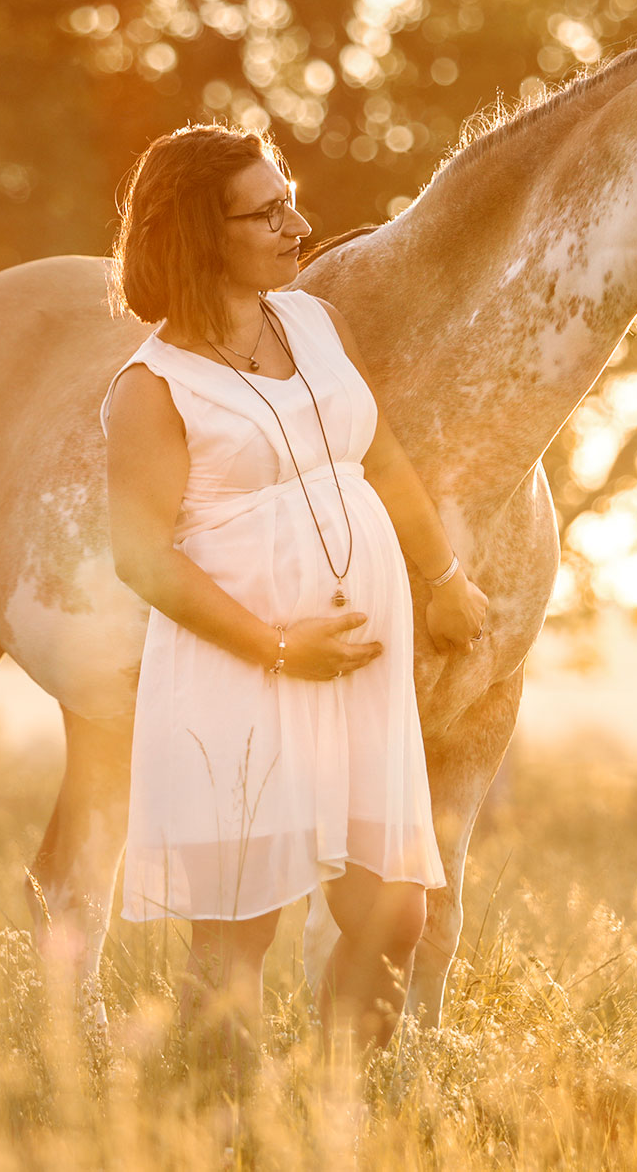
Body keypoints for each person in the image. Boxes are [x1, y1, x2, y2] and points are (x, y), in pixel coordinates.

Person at [99, 122, 489, 1092]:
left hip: (357, 666)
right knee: (236, 937)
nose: (297, 224)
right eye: (266, 212)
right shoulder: (151, 389)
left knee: (394, 912)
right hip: (238, 670)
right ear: (197, 233)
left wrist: (442, 579)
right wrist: (277, 644)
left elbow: (382, 455)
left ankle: (333, 1114)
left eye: (289, 200)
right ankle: (212, 1133)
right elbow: (141, 559)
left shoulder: (311, 323)